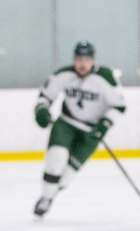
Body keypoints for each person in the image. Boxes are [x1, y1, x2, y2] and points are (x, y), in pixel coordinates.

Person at [33, 40, 125, 216]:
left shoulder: (106, 77)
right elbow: (44, 96)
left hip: (91, 132)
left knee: (66, 177)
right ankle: (45, 198)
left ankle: (51, 195)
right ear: (74, 59)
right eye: (79, 59)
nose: (82, 64)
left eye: (86, 60)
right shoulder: (63, 74)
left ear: (93, 60)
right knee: (55, 161)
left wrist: (105, 123)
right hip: (66, 124)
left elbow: (119, 106)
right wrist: (42, 110)